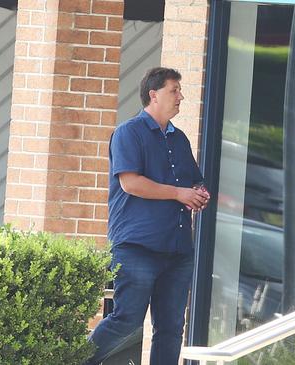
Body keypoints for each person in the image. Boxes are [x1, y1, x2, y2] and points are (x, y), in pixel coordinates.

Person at [85, 67, 210, 365]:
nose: (181, 96)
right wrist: (180, 194)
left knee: (170, 329)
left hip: (177, 249)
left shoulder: (179, 139)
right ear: (153, 95)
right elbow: (131, 183)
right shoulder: (128, 132)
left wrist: (198, 192)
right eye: (174, 90)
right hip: (137, 247)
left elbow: (193, 180)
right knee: (126, 320)